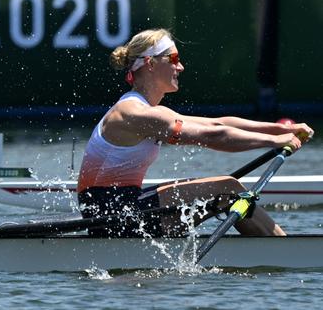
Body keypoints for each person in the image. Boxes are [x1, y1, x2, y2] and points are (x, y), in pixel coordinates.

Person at [77, 28, 314, 238]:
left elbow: (217, 124)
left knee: (227, 189)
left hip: (122, 209)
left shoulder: (150, 110)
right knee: (228, 189)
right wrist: (274, 141)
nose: (181, 66)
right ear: (150, 63)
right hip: (112, 217)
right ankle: (286, 253)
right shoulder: (133, 112)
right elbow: (212, 137)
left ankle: (279, 248)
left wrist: (284, 129)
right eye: (174, 58)